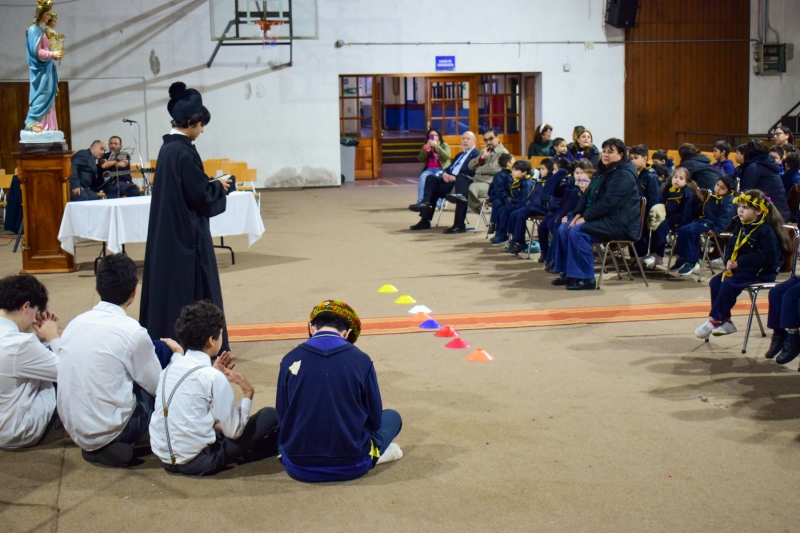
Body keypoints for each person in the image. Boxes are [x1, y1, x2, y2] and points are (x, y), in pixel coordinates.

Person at [58, 254, 178, 467]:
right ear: (133, 292)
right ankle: (114, 440)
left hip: (75, 429)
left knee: (154, 349)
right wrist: (178, 356)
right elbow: (158, 387)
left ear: (97, 287)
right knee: (167, 371)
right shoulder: (131, 331)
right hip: (114, 427)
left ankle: (96, 446)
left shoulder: (73, 325)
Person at [140, 82, 232, 351]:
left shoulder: (168, 149)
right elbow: (200, 196)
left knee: (169, 294)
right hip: (186, 239)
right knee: (191, 293)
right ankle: (201, 345)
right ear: (190, 122)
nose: (202, 130)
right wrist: (219, 186)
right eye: (201, 124)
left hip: (170, 235)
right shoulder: (183, 150)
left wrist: (210, 184)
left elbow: (189, 188)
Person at [276, 300, 403, 483]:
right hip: (352, 464)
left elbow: (283, 417)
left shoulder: (289, 360)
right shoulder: (362, 360)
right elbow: (374, 422)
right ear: (347, 333)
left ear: (311, 328)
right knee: (392, 417)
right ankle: (376, 454)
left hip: (299, 466)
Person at [150, 301, 279, 476]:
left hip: (163, 457)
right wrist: (248, 392)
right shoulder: (212, 377)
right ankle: (253, 452)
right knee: (269, 415)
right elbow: (234, 432)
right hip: (198, 461)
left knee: (212, 422)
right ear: (211, 340)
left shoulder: (171, 367)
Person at [695, 190, 789, 338]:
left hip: (762, 271)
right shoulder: (741, 226)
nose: (740, 210)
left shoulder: (766, 231)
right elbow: (731, 247)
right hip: (742, 269)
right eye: (739, 206)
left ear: (758, 211)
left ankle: (715, 319)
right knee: (716, 282)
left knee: (729, 284)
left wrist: (741, 261)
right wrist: (728, 261)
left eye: (745, 208)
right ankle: (726, 321)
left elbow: (769, 257)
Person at [552, 138, 640, 290]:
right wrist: (579, 213)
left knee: (578, 232)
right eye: (604, 151)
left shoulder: (624, 175)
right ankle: (568, 273)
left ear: (621, 155)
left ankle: (586, 278)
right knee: (563, 229)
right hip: (603, 218)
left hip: (619, 223)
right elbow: (586, 195)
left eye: (611, 152)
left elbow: (608, 203)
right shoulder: (603, 170)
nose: (605, 155)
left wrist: (585, 218)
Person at [0, 275, 61, 450]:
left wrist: (45, 342)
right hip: (14, 432)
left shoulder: (19, 342)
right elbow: (68, 371)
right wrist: (52, 337)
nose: (35, 318)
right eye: (35, 312)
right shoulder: (21, 344)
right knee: (81, 370)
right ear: (26, 306)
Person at [408, 132, 480, 231]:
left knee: (461, 183)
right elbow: (449, 168)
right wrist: (445, 174)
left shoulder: (477, 155)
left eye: (468, 139)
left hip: (462, 183)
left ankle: (459, 225)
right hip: (449, 183)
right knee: (430, 178)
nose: (465, 141)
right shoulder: (460, 154)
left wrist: (454, 178)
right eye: (463, 139)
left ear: (474, 141)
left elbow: (473, 173)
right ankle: (425, 211)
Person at [442, 129, 509, 234]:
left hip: (489, 184)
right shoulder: (484, 151)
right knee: (460, 179)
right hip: (477, 180)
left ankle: (459, 224)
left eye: (491, 139)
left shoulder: (503, 152)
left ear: (497, 138)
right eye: (486, 140)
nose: (488, 142)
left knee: (463, 192)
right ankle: (459, 223)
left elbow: (496, 168)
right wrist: (482, 157)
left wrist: (480, 169)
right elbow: (470, 165)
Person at [671, 175, 736, 276]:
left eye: (722, 188)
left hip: (714, 224)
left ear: (728, 190)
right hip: (705, 220)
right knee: (682, 229)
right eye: (717, 185)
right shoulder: (713, 197)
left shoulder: (729, 201)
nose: (718, 188)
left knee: (692, 231)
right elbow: (703, 212)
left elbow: (725, 218)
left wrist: (716, 229)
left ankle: (692, 261)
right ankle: (682, 257)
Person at [544, 160, 594, 272]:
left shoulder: (590, 187)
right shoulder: (572, 184)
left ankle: (557, 262)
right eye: (576, 173)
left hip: (587, 219)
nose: (579, 176)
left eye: (582, 173)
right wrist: (570, 215)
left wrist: (572, 216)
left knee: (562, 227)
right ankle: (556, 262)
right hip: (570, 214)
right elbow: (554, 193)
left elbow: (591, 208)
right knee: (552, 224)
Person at [647, 167, 700, 270]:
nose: (677, 180)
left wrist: (682, 224)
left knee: (663, 227)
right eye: (675, 177)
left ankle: (661, 255)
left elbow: (687, 211)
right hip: (669, 217)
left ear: (686, 182)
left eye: (681, 178)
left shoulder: (687, 192)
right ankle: (657, 255)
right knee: (656, 226)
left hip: (681, 219)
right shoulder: (669, 190)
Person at [24, 0, 64, 132]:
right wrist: (53, 54)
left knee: (49, 95)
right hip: (40, 69)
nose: (49, 17)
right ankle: (32, 122)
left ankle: (49, 126)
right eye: (47, 14)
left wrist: (55, 49)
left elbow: (45, 47)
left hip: (48, 67)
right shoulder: (33, 30)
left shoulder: (40, 30)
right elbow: (37, 52)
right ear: (41, 14)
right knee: (42, 94)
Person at [498, 158, 554, 250]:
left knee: (519, 213)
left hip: (541, 208)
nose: (540, 171)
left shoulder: (534, 183)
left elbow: (531, 199)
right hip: (532, 206)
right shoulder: (540, 182)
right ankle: (515, 240)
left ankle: (519, 241)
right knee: (512, 213)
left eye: (543, 169)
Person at [738, 140, 790, 220]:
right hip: (781, 211)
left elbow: (746, 192)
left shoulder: (754, 167)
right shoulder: (768, 164)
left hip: (769, 215)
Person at [629, 145, 664, 263]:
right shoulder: (632, 173)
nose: (632, 160)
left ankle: (641, 256)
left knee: (642, 234)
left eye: (635, 158)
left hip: (645, 212)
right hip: (633, 210)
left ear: (644, 158)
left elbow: (654, 196)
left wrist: (651, 213)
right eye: (631, 158)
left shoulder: (651, 175)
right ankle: (634, 256)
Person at [490, 158, 533, 247]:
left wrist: (513, 202)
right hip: (516, 203)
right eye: (513, 170)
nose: (513, 172)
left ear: (524, 172)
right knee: (501, 209)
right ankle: (500, 234)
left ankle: (511, 238)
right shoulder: (518, 180)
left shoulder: (527, 183)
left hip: (524, 206)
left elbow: (525, 200)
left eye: (516, 170)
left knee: (508, 211)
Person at [415, 128, 450, 203]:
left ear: (439, 137)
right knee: (423, 177)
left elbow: (447, 156)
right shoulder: (426, 146)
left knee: (438, 179)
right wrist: (426, 148)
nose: (433, 137)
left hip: (441, 169)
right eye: (431, 135)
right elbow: (420, 159)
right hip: (429, 169)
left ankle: (437, 204)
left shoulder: (444, 145)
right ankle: (421, 201)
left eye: (435, 135)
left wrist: (437, 147)